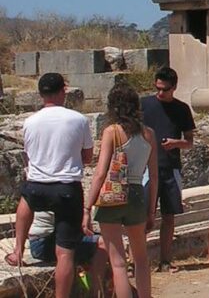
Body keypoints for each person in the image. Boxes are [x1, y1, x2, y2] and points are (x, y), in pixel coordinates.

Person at [6, 73, 93, 298]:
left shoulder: (30, 122)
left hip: (37, 184)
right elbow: (87, 157)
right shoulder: (79, 120)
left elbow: (29, 155)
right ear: (63, 91)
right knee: (65, 254)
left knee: (27, 199)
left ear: (41, 94)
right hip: (66, 187)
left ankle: (18, 250)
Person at [83, 83, 158, 298]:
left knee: (118, 263)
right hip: (137, 193)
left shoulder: (112, 131)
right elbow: (154, 176)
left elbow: (100, 173)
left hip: (113, 194)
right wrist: (152, 210)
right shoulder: (149, 134)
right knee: (141, 259)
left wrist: (87, 207)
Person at [140, 66, 195, 272]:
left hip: (170, 168)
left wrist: (176, 143)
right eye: (158, 88)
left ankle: (165, 260)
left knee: (169, 216)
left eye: (165, 89)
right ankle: (137, 262)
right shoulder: (144, 105)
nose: (160, 93)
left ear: (174, 87)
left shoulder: (182, 109)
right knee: (142, 217)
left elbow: (189, 141)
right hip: (145, 168)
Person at [29, 211, 110, 296]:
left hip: (37, 240)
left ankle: (89, 289)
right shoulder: (65, 203)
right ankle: (95, 293)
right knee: (103, 244)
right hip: (47, 243)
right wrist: (86, 212)